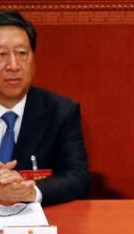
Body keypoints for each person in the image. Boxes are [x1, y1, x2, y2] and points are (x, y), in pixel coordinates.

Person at [0, 10, 88, 206]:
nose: (13, 66)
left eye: (22, 54)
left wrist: (29, 192)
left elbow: (77, 178)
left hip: (36, 226)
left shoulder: (61, 112)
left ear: (33, 58)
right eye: (1, 55)